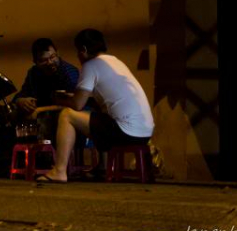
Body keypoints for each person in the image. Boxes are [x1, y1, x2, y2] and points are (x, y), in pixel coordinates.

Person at [36, 28, 154, 183]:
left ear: (83, 50)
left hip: (126, 132)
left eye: (78, 51)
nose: (78, 55)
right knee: (99, 114)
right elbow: (93, 98)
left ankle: (59, 171)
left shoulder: (91, 65)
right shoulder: (115, 62)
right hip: (145, 132)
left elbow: (77, 104)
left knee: (67, 114)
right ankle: (103, 167)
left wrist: (59, 99)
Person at [0, 38, 79, 177]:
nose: (50, 63)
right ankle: (6, 164)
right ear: (35, 62)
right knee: (7, 117)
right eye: (44, 60)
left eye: (52, 57)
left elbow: (73, 104)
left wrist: (40, 110)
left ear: (57, 53)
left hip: (60, 118)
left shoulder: (69, 72)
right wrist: (21, 101)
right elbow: (21, 94)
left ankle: (44, 164)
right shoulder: (34, 73)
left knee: (43, 120)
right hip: (36, 115)